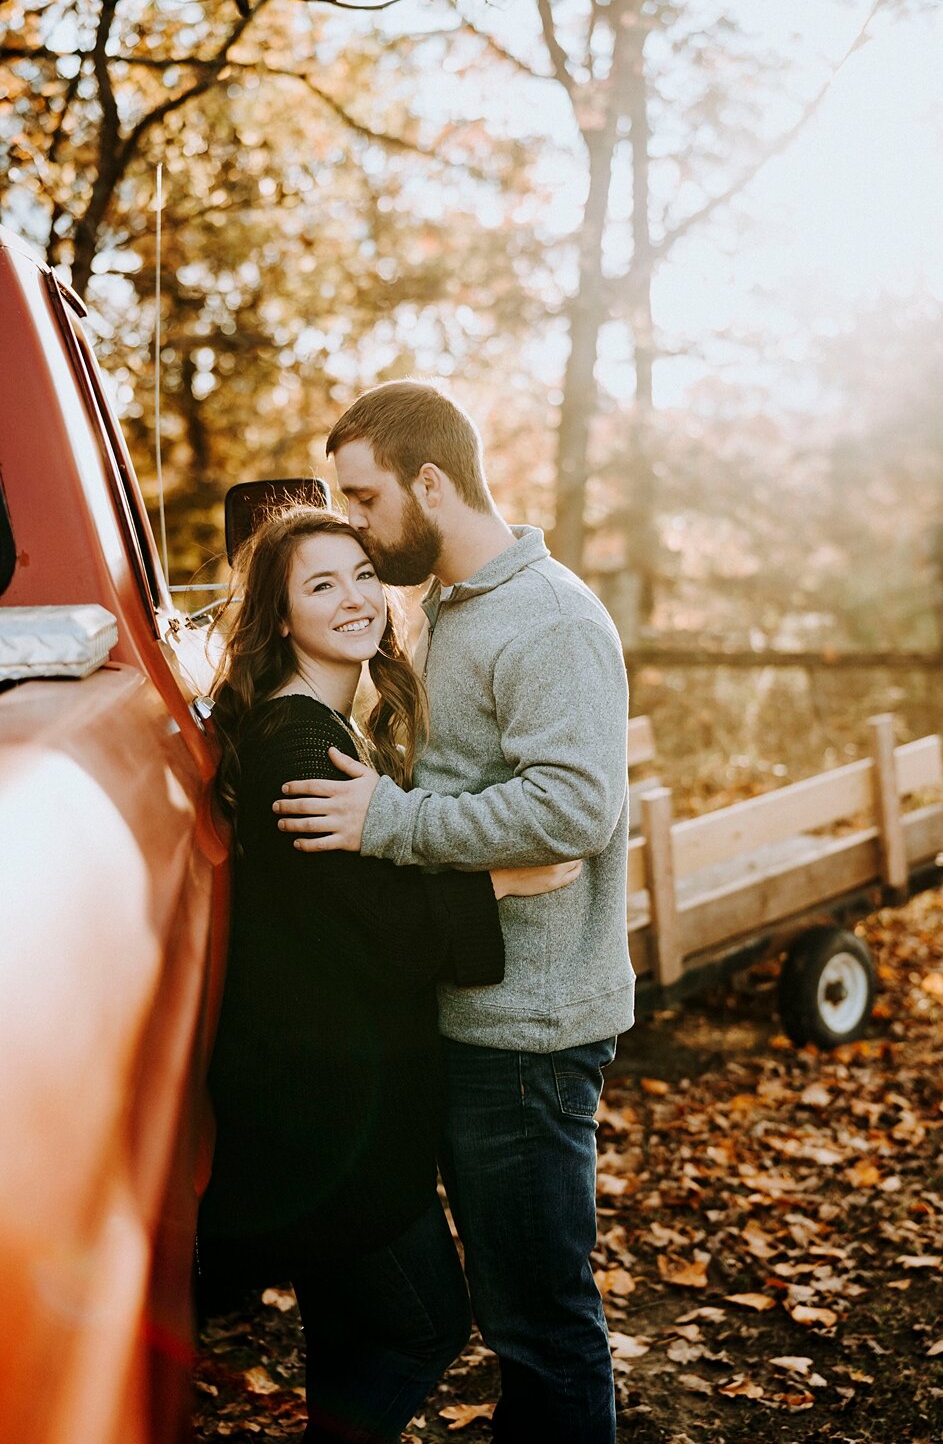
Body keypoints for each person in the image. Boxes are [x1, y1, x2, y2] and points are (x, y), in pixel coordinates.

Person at [274, 381, 635, 1444]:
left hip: (527, 1036)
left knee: (540, 1327)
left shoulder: (550, 618)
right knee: (504, 1321)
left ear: (429, 482)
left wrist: (389, 821)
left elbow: (573, 807)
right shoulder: (449, 607)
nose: (353, 521)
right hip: (467, 1015)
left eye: (364, 498)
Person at [196, 505, 580, 1444]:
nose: (357, 597)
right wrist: (502, 878)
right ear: (279, 618)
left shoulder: (324, 722)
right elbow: (368, 932)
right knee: (423, 1325)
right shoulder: (295, 741)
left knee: (351, 1334)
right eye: (321, 585)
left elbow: (347, 908)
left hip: (331, 1097)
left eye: (364, 573)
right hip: (328, 1111)